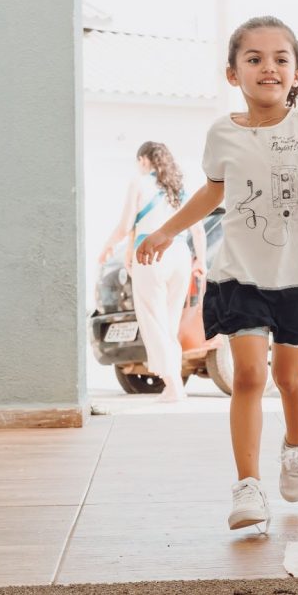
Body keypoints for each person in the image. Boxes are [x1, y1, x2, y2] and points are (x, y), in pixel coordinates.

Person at [136, 16, 298, 533]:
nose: (268, 67)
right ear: (233, 73)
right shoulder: (222, 133)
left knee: (289, 378)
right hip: (241, 274)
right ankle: (248, 486)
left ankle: (297, 447)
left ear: (297, 72)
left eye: (280, 59)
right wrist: (166, 231)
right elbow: (212, 192)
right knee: (250, 377)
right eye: (253, 59)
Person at [99, 141, 206, 402]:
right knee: (169, 323)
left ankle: (173, 385)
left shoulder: (139, 183)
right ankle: (174, 385)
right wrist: (201, 260)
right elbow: (198, 229)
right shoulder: (178, 187)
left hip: (150, 255)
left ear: (144, 160)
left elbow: (126, 225)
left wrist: (108, 247)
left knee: (153, 321)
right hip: (179, 252)